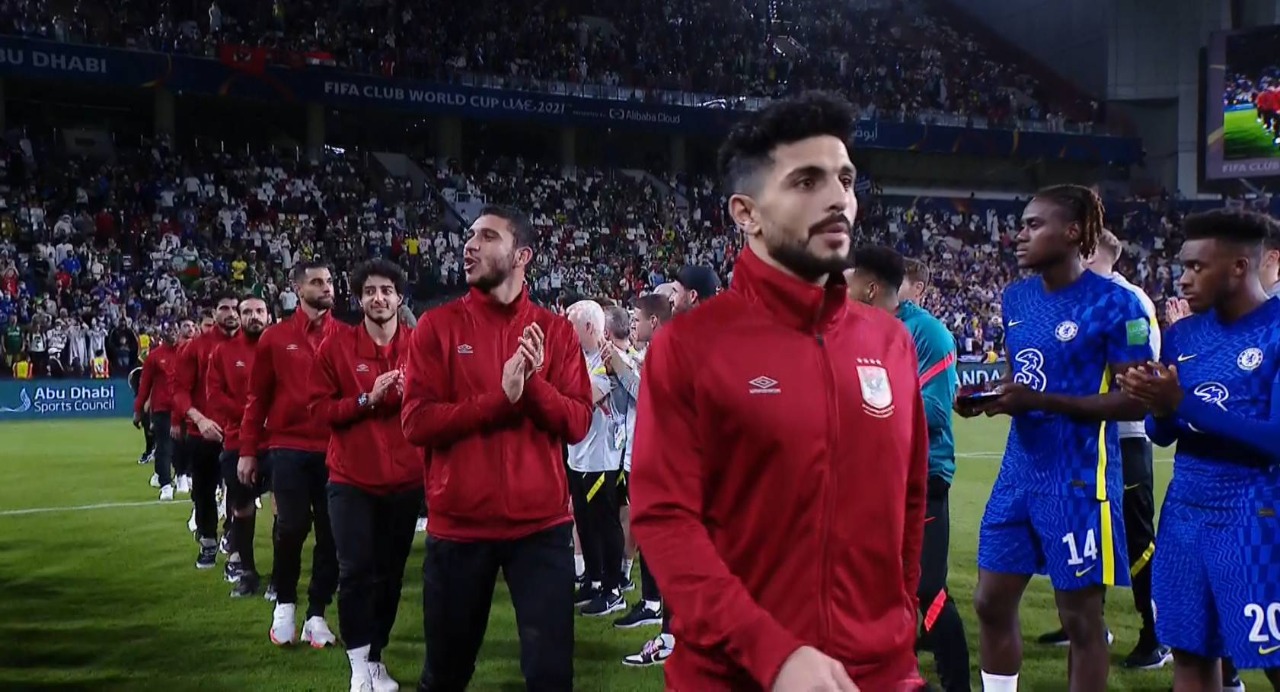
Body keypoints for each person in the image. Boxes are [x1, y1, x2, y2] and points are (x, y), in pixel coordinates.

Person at [630, 91, 930, 691]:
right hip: (736, 676)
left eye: (845, 179)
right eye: (806, 181)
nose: (838, 197)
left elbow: (910, 499)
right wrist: (773, 653)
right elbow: (665, 521)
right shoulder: (690, 346)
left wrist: (897, 621)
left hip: (880, 674)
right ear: (747, 213)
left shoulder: (890, 341)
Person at [957, 185, 1155, 692]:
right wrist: (992, 397)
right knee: (990, 601)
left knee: (1080, 619)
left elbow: (1136, 402)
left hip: (1078, 479)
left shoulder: (1119, 305)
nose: (1018, 236)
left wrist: (1040, 401)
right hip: (1017, 473)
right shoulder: (1016, 298)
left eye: (1033, 225)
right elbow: (1025, 377)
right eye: (1020, 225)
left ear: (1072, 232)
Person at [401, 204, 592, 692]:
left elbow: (577, 423)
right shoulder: (436, 327)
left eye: (487, 237)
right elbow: (416, 423)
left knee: (551, 678)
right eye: (470, 236)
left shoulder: (556, 331)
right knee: (445, 676)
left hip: (542, 528)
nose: (470, 245)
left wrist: (533, 387)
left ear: (522, 255)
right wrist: (500, 400)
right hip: (459, 528)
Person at [1118, 209, 1280, 692]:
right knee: (1191, 655)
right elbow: (1161, 432)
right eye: (1182, 266)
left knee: (1273, 658)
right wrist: (1158, 403)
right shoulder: (1184, 335)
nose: (1183, 279)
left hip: (1255, 518)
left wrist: (1182, 403)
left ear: (1239, 266)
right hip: (1184, 513)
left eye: (1196, 267)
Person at [1030, 229, 1170, 668]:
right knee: (1088, 532)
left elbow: (1139, 372)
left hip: (1125, 437)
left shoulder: (1131, 301)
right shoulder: (1084, 300)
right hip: (1088, 439)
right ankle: (1089, 623)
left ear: (1090, 253)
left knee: (1136, 536)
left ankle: (1156, 635)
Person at [846, 246, 971, 692]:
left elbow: (935, 411)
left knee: (928, 589)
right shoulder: (857, 327)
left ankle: (957, 684)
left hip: (923, 475)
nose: (842, 289)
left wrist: (868, 403)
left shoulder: (928, 334)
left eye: (849, 281)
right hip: (874, 476)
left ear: (870, 287)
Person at [309, 259, 420, 692]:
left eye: (387, 290)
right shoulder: (336, 347)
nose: (379, 298)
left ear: (399, 298)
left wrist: (413, 398)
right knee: (355, 570)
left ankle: (375, 657)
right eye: (370, 291)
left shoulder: (419, 347)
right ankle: (358, 664)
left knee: (390, 576)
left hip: (405, 481)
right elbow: (319, 411)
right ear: (359, 299)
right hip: (350, 480)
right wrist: (366, 400)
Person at [239, 260, 343, 647]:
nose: (327, 287)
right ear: (299, 290)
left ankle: (317, 614)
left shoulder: (347, 336)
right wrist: (248, 450)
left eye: (329, 281)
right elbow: (257, 398)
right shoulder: (275, 338)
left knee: (332, 533)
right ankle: (284, 605)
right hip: (288, 447)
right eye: (317, 282)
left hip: (334, 449)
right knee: (292, 527)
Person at [612, 294, 672, 639]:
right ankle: (652, 601)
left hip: (653, 458)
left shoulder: (665, 353)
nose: (632, 325)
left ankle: (654, 604)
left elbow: (647, 395)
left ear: (653, 321)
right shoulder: (653, 352)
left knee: (652, 534)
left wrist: (621, 368)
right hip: (641, 453)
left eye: (637, 320)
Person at [563, 299, 627, 619]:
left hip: (601, 456)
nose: (565, 331)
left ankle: (613, 589)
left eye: (570, 325)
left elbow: (585, 396)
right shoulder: (579, 357)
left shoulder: (607, 358)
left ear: (588, 327)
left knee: (605, 523)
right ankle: (593, 579)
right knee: (585, 523)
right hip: (578, 454)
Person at [208, 295, 272, 597]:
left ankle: (282, 575)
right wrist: (250, 415)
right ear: (240, 316)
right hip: (237, 441)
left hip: (278, 440)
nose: (254, 316)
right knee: (242, 509)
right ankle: (247, 572)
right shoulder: (223, 352)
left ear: (269, 315)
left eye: (260, 311)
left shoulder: (280, 348)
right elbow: (214, 395)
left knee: (285, 510)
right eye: (247, 312)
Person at [173, 294, 240, 569]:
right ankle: (208, 541)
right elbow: (179, 391)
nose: (231, 313)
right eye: (225, 308)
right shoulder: (195, 348)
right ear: (215, 313)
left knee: (240, 493)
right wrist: (199, 420)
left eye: (235, 308)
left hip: (238, 433)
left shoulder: (254, 344)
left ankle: (234, 541)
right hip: (202, 433)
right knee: (203, 492)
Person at [134, 324, 180, 501]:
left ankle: (180, 476)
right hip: (162, 408)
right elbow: (144, 385)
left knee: (182, 446)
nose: (172, 334)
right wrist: (138, 410)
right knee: (164, 446)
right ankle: (166, 485)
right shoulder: (154, 356)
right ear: (162, 334)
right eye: (169, 331)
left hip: (183, 409)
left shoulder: (185, 353)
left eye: (175, 330)